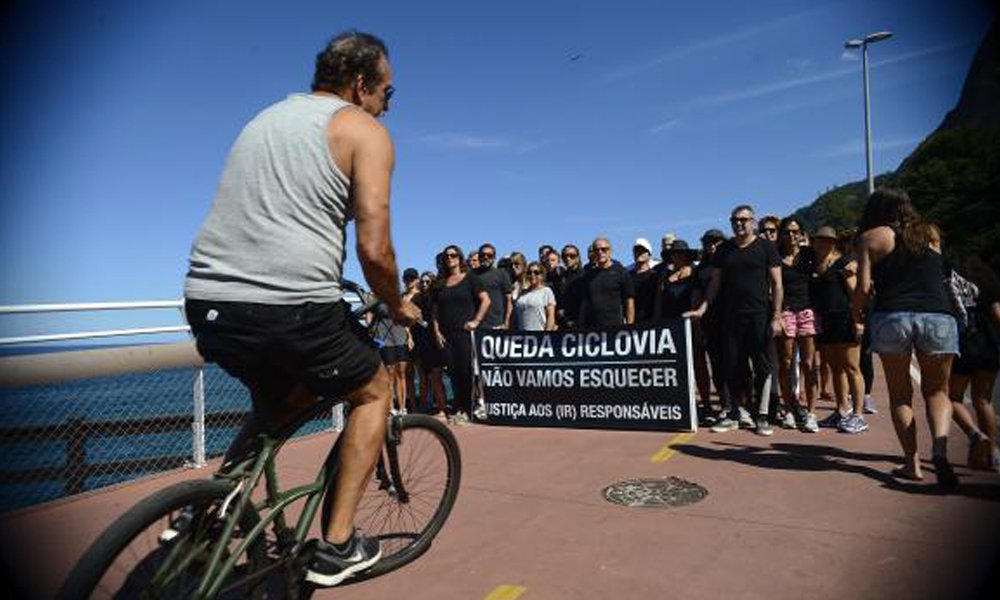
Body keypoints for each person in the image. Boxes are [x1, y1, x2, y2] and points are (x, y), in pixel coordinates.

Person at [183, 31, 420, 586]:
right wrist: (398, 303)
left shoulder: (261, 121)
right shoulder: (364, 129)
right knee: (375, 389)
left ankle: (209, 512)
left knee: (282, 400)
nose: (388, 103)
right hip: (290, 308)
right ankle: (337, 545)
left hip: (208, 302)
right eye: (388, 91)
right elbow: (375, 249)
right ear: (361, 85)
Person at [854, 188, 958, 489]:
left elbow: (862, 287)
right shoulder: (931, 233)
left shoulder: (871, 238)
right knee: (938, 392)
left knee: (901, 396)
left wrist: (856, 315)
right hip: (937, 316)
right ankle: (939, 451)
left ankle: (912, 462)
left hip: (892, 317)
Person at [687, 205, 782, 437]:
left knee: (762, 367)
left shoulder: (766, 247)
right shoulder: (725, 250)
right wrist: (701, 309)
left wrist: (777, 317)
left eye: (743, 219)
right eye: (734, 220)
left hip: (759, 315)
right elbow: (715, 284)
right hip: (731, 317)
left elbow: (777, 284)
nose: (739, 224)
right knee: (732, 365)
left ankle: (762, 416)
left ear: (753, 221)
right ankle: (734, 413)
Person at [945, 252, 1000, 471]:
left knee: (951, 397)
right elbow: (997, 313)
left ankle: (974, 435)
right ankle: (991, 455)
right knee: (984, 401)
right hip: (987, 342)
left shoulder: (947, 280)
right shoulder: (989, 281)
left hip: (962, 342)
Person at [810, 227, 868, 434]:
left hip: (845, 319)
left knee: (852, 367)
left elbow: (856, 293)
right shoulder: (814, 266)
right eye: (820, 240)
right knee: (836, 368)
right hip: (827, 322)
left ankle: (859, 415)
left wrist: (858, 320)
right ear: (814, 242)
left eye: (828, 240)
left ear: (834, 242)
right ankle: (842, 410)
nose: (823, 243)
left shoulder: (844, 263)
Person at [433, 244, 490, 426]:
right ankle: (458, 408)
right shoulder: (440, 283)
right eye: (447, 256)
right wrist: (436, 331)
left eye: (454, 255)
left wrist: (476, 321)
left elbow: (485, 300)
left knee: (466, 372)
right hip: (446, 335)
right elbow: (434, 311)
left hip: (465, 334)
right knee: (452, 372)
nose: (450, 258)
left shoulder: (471, 278)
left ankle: (468, 409)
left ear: (460, 258)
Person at [775, 218, 819, 432]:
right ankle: (789, 408)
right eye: (787, 232)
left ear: (801, 234)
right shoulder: (776, 257)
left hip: (807, 311)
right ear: (781, 235)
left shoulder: (809, 255)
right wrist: (778, 316)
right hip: (786, 312)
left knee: (809, 364)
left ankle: (811, 413)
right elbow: (772, 287)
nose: (791, 236)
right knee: (786, 362)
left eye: (795, 232)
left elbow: (831, 259)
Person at [370, 269, 418, 413]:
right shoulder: (373, 297)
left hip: (400, 336)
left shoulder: (398, 297)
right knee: (389, 373)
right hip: (383, 337)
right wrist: (371, 336)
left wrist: (409, 336)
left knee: (402, 373)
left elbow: (405, 318)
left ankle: (403, 407)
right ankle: (391, 407)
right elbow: (369, 318)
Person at [412, 271, 449, 416]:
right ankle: (431, 406)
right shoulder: (417, 298)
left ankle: (443, 408)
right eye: (423, 282)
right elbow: (414, 317)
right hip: (423, 342)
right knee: (426, 377)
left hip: (438, 340)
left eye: (428, 281)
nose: (425, 284)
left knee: (437, 376)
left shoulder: (438, 297)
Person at [578, 237, 635, 327]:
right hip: (592, 327)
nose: (600, 252)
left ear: (610, 251)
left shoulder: (621, 272)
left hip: (615, 327)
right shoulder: (588, 275)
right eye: (597, 250)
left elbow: (629, 300)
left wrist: (630, 326)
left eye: (604, 249)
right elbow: (584, 302)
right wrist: (580, 325)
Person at [475, 243, 513, 329]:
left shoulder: (501, 274)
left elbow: (509, 300)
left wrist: (506, 322)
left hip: (496, 324)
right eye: (482, 255)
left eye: (489, 255)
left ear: (494, 258)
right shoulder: (471, 274)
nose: (486, 257)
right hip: (475, 325)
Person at [514, 261, 557, 331]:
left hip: (538, 335)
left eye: (536, 272)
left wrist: (547, 334)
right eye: (529, 273)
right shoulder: (522, 293)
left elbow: (551, 316)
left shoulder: (546, 291)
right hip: (521, 335)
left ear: (542, 275)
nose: (532, 275)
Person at [555, 244, 585, 329]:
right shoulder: (560, 277)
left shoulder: (585, 275)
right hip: (563, 324)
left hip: (581, 324)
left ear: (578, 257)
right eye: (565, 256)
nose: (568, 258)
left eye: (572, 256)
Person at [630, 238, 659, 323]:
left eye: (642, 251)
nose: (639, 253)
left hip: (652, 321)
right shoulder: (627, 276)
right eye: (636, 250)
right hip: (632, 322)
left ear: (649, 254)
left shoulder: (655, 275)